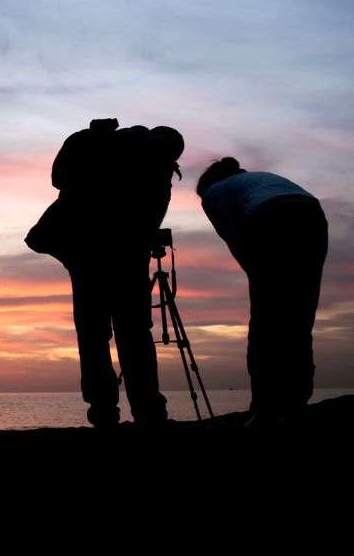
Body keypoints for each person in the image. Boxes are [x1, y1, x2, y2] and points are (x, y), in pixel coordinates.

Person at [27, 118, 184, 428]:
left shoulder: (100, 143)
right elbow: (149, 214)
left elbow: (60, 179)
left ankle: (104, 412)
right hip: (116, 254)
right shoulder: (154, 165)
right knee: (134, 333)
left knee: (94, 334)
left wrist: (93, 134)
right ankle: (148, 412)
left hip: (85, 252)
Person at [196, 157, 328, 424]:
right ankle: (296, 402)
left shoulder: (212, 193)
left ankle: (264, 409)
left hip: (270, 217)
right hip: (312, 215)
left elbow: (233, 237)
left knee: (265, 323)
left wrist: (258, 276)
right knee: (300, 317)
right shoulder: (261, 178)